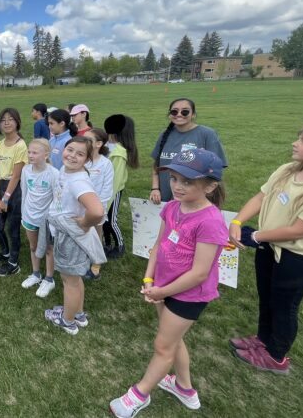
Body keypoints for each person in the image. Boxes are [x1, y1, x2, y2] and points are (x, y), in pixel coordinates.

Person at [109, 148, 228, 417]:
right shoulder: (173, 207)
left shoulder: (210, 221)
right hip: (162, 286)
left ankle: (139, 395)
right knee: (173, 340)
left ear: (210, 186)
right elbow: (158, 245)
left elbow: (199, 273)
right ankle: (185, 389)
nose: (177, 186)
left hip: (189, 295)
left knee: (163, 347)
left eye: (187, 181)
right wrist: (150, 279)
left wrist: (161, 291)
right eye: (174, 178)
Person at [228, 122, 303, 374]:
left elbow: (301, 230)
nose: (295, 143)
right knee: (266, 297)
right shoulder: (287, 170)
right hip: (269, 246)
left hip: (298, 258)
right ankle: (263, 340)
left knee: (284, 305)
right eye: (298, 138)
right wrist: (237, 221)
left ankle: (276, 356)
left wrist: (257, 235)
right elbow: (261, 197)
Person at [43, 137, 105, 335]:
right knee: (75, 279)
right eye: (70, 150)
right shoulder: (66, 171)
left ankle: (67, 321)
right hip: (65, 233)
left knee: (69, 281)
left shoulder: (78, 181)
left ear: (87, 159)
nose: (72, 155)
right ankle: (77, 313)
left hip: (70, 237)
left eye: (80, 154)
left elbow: (97, 211)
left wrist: (86, 223)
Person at [150, 98, 227, 204]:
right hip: (164, 195)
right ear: (169, 115)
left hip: (193, 198)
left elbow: (216, 170)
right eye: (174, 111)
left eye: (185, 111)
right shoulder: (164, 134)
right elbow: (156, 165)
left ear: (193, 114)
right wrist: (155, 189)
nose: (179, 114)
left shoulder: (207, 134)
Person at [0, 108, 28, 276]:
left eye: (10, 119)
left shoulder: (21, 145)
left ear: (17, 122)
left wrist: (5, 199)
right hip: (1, 188)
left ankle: (13, 262)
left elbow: (17, 175)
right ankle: (5, 253)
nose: (6, 122)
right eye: (3, 119)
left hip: (15, 190)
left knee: (12, 229)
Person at [20, 139, 59, 297]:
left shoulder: (54, 174)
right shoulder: (25, 170)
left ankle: (49, 279)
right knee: (33, 246)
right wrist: (24, 214)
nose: (30, 155)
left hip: (46, 221)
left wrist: (53, 222)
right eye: (29, 152)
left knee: (49, 249)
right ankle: (36, 274)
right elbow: (24, 193)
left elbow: (57, 199)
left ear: (46, 155)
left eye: (35, 152)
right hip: (29, 217)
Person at [103, 114, 139, 259]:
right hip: (103, 190)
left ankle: (120, 245)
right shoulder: (105, 145)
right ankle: (107, 243)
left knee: (111, 220)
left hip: (113, 191)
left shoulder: (119, 152)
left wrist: (107, 200)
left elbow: (116, 180)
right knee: (103, 220)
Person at [83, 128, 114, 279]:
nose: (84, 142)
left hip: (96, 208)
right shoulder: (82, 160)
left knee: (96, 234)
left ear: (99, 144)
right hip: (80, 207)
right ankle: (82, 259)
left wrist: (97, 209)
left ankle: (96, 262)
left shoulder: (105, 164)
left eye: (88, 140)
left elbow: (107, 189)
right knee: (82, 233)